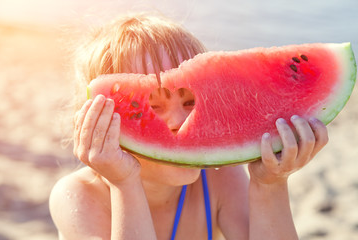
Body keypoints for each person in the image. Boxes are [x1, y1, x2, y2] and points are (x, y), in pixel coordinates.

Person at [49, 13, 329, 240]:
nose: (181, 123)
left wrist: (270, 185)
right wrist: (124, 183)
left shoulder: (220, 181)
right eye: (152, 107)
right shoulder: (77, 195)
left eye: (190, 101)